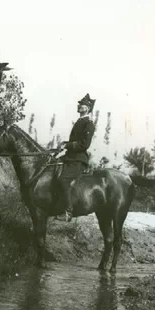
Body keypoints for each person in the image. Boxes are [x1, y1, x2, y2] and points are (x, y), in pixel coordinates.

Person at [55, 93, 96, 222]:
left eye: (82, 104)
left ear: (88, 108)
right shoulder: (80, 121)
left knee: (63, 180)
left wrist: (67, 145)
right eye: (80, 104)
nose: (79, 106)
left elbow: (84, 144)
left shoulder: (88, 124)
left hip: (78, 160)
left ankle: (68, 212)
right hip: (70, 158)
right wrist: (63, 146)